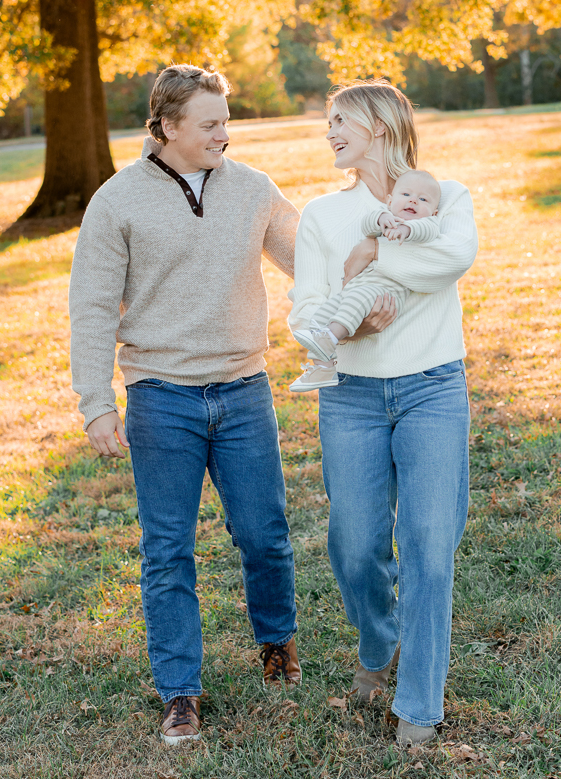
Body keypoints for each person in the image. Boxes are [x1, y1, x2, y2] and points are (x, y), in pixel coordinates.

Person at [68, 64, 303, 746]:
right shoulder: (117, 201)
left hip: (242, 389)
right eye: (211, 124)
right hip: (158, 397)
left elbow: (310, 254)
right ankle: (180, 691)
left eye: (226, 121)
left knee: (264, 533)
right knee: (167, 550)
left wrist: (383, 233)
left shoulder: (254, 189)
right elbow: (90, 308)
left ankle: (277, 642)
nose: (224, 134)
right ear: (167, 127)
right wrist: (95, 402)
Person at [289, 81, 478, 746]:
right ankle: (379, 645)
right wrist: (353, 322)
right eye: (328, 122)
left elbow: (453, 257)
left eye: (341, 121)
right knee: (356, 544)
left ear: (382, 126)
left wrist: (374, 256)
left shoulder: (444, 197)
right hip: (352, 397)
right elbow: (306, 309)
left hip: (432, 389)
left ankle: (419, 704)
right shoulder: (320, 214)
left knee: (429, 543)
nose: (330, 132)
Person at [289, 169, 442, 392]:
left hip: (386, 293)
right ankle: (322, 366)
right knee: (325, 313)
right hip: (359, 288)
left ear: (434, 211)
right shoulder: (385, 216)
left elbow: (427, 231)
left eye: (423, 199)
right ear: (390, 201)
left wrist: (407, 228)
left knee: (354, 301)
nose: (413, 201)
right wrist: (382, 217)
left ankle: (330, 337)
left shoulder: (425, 225)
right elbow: (368, 224)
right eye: (406, 195)